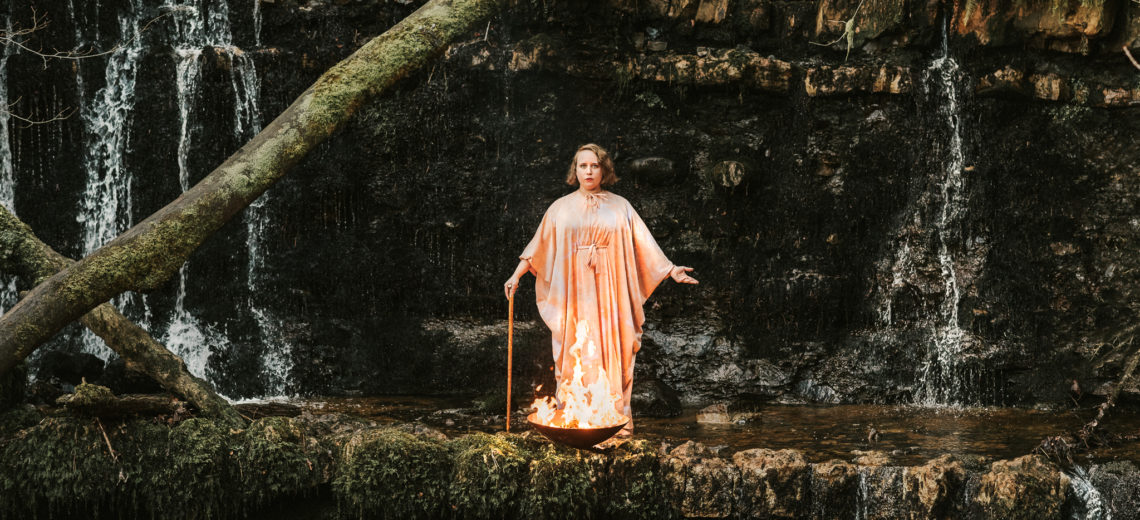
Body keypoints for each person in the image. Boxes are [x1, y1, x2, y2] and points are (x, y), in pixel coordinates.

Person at [504, 143, 698, 436]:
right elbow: (539, 246)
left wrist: (671, 270)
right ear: (575, 170)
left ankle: (612, 422)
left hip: (611, 290)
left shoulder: (621, 206)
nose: (589, 171)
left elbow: (643, 243)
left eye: (594, 165)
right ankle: (574, 419)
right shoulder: (560, 208)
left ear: (603, 170)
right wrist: (516, 275)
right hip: (574, 290)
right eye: (583, 165)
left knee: (613, 347)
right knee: (576, 350)